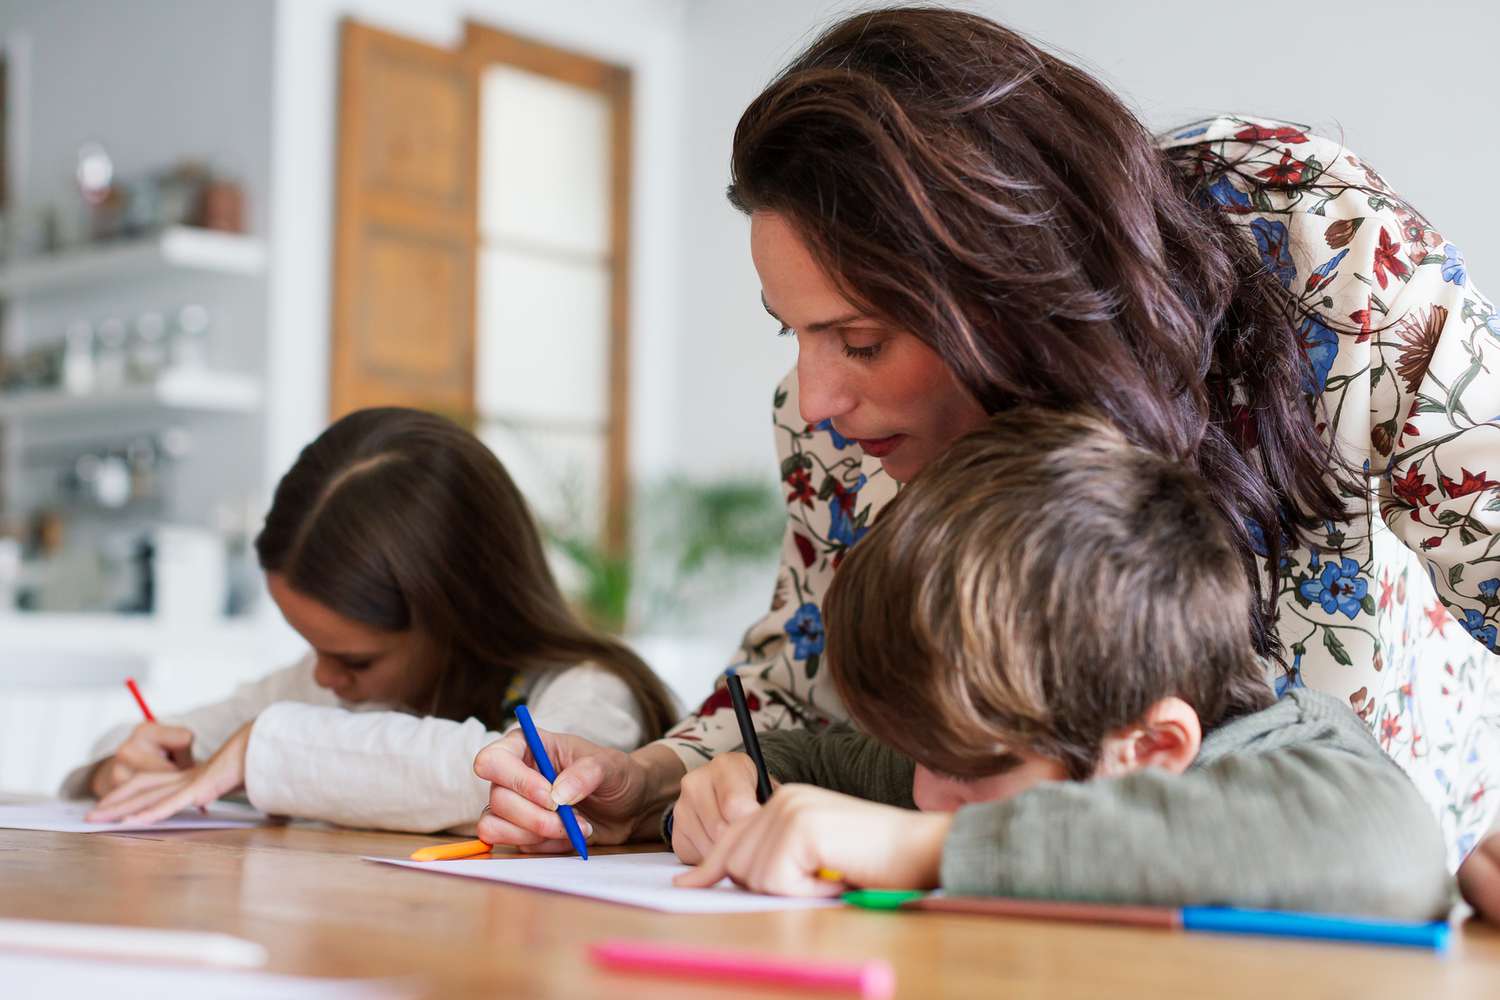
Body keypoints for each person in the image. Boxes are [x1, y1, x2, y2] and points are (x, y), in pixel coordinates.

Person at [472, 7, 1499, 913]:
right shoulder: (843, 427)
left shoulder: (1308, 241)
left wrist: (936, 847)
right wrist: (654, 780)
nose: (817, 398)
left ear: (1004, 287)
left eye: (861, 338)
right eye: (792, 330)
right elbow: (808, 687)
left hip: (1349, 903)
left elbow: (1371, 831)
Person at [670, 412, 1452, 920]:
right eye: (921, 754)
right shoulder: (1000, 749)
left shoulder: (1294, 764)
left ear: (1148, 753)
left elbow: (1389, 846)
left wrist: (925, 850)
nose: (918, 791)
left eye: (957, 769)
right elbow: (836, 765)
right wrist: (745, 779)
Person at [66, 407, 676, 833]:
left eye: (355, 659)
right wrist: (116, 765)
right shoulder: (317, 681)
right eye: (312, 647)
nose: (325, 678)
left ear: (460, 611)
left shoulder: (593, 692)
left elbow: (535, 776)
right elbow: (148, 742)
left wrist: (265, 747)